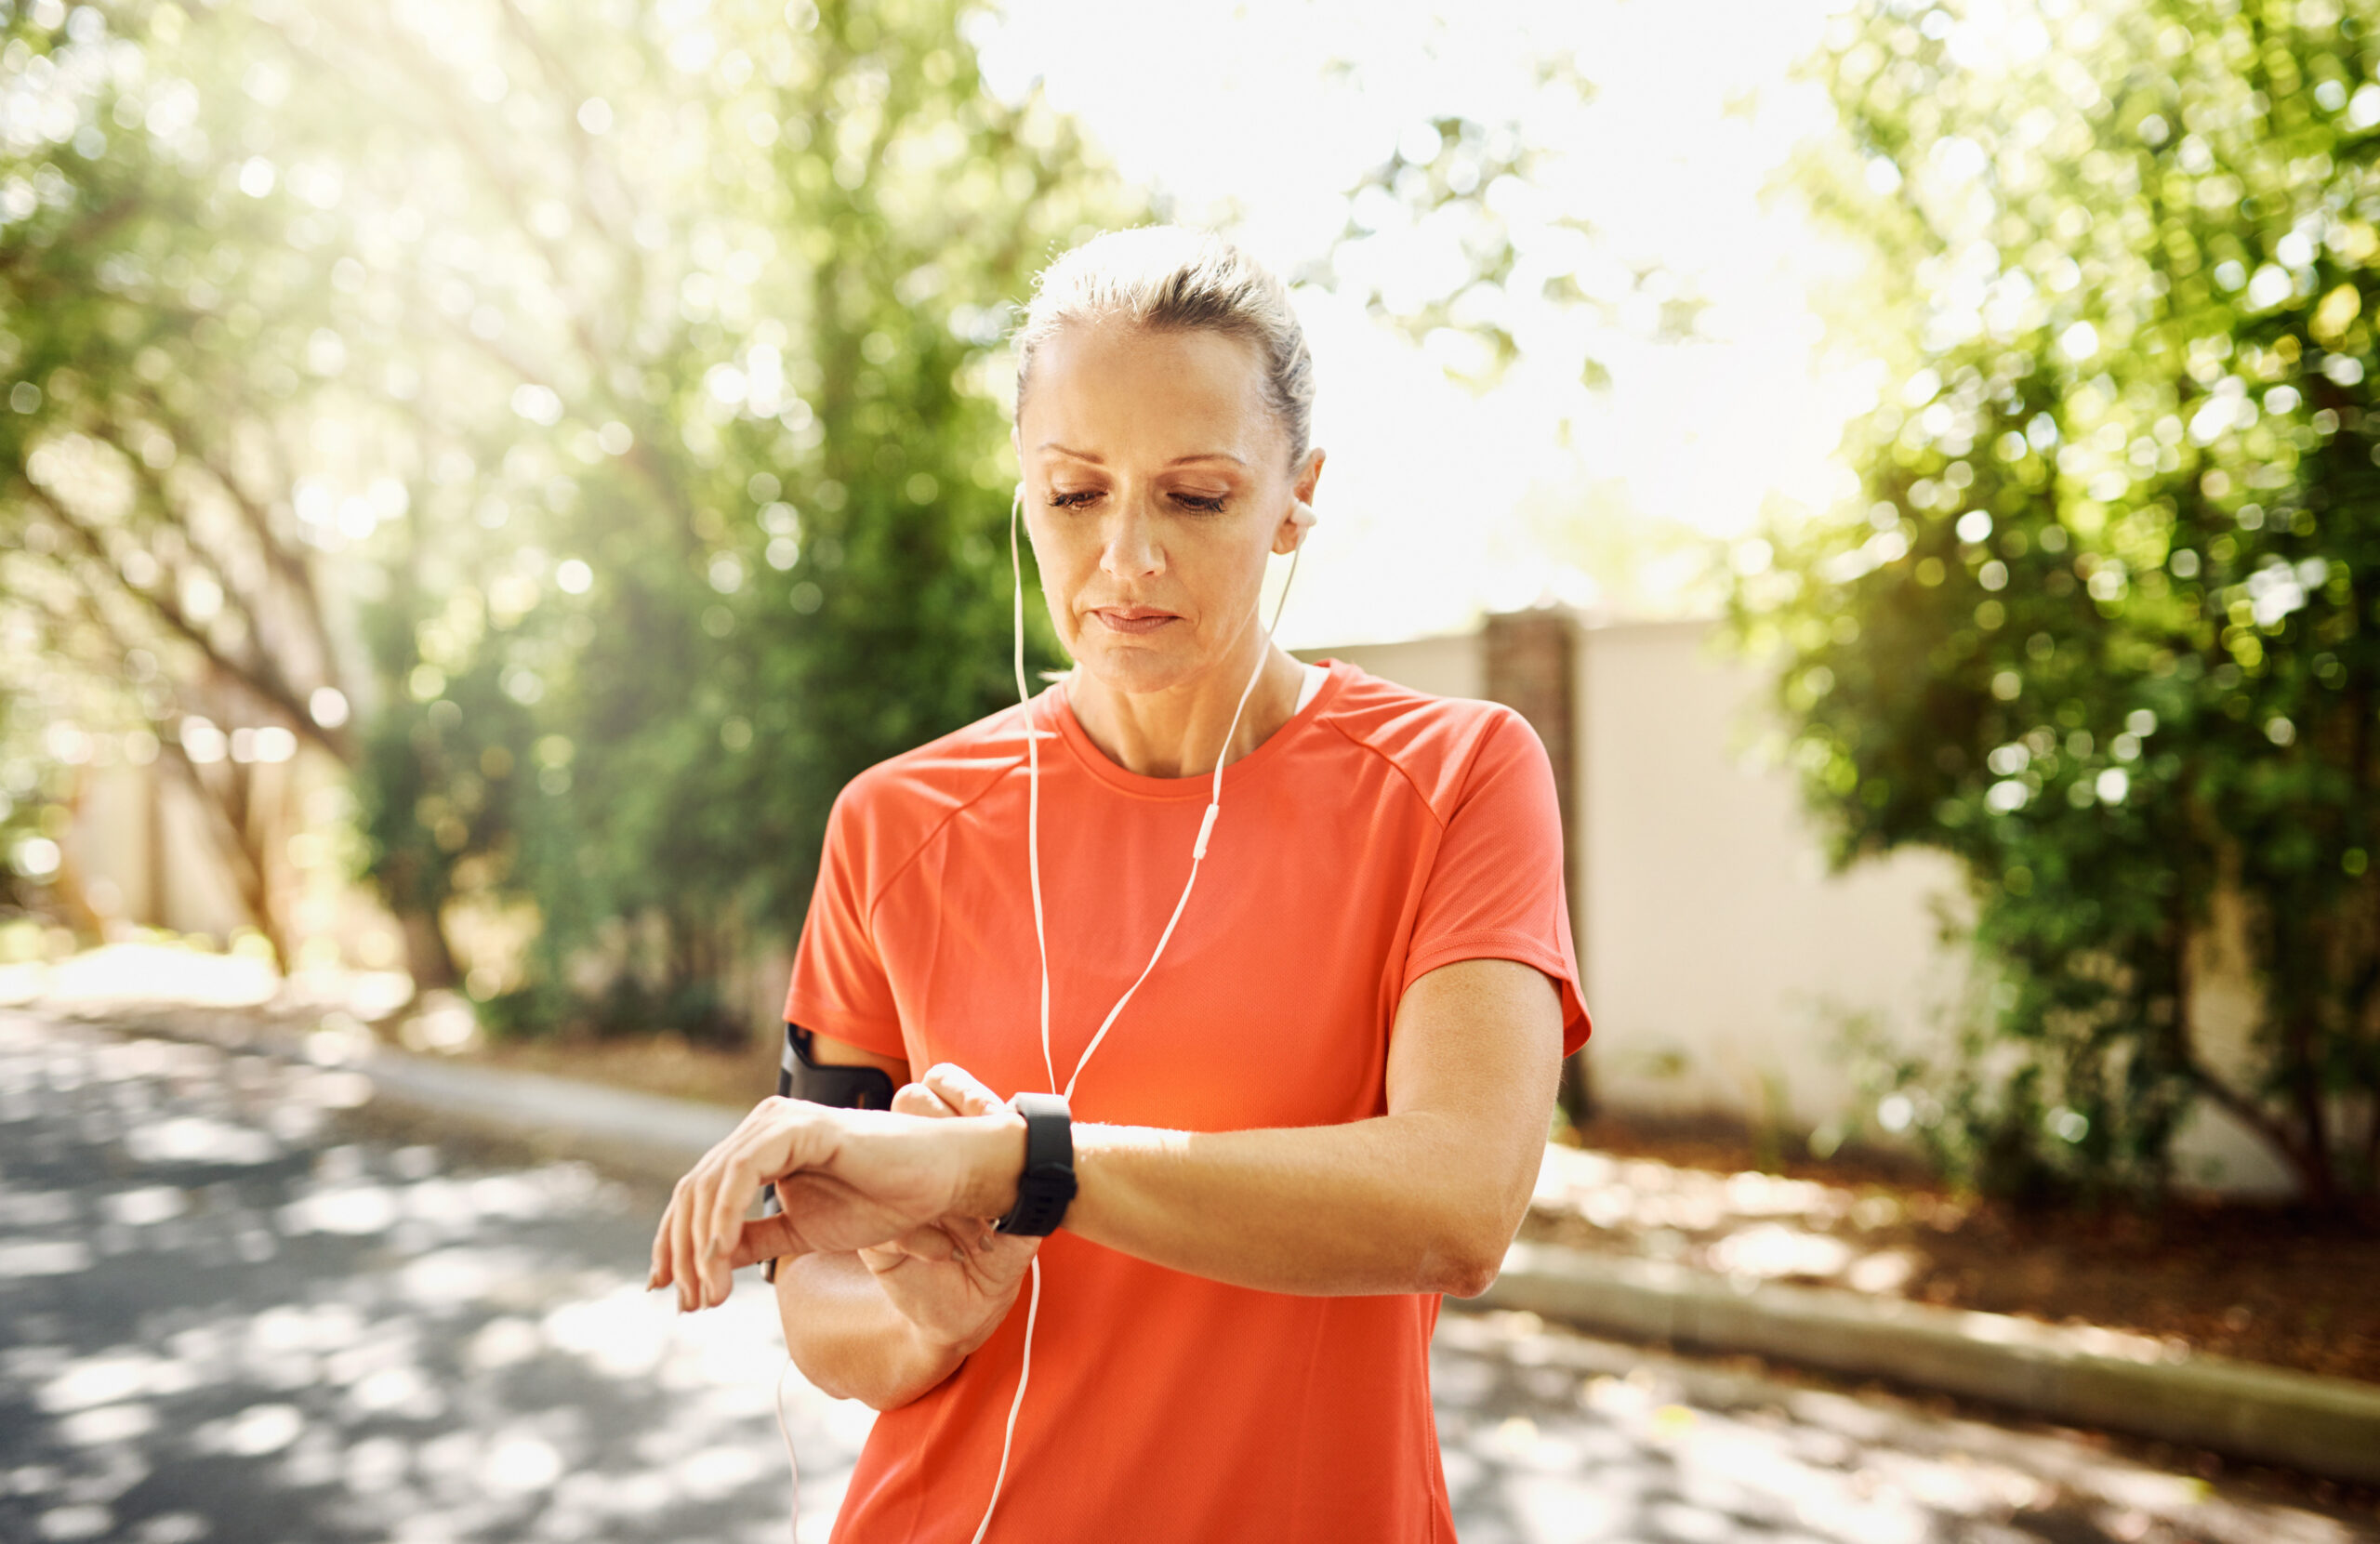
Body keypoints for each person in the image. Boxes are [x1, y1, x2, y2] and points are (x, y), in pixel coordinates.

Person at [651, 226, 1591, 1541]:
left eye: (1195, 495)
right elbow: (819, 1295)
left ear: (1297, 493)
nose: (1126, 557)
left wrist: (1019, 1163)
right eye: (1076, 493)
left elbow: (1459, 1202)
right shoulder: (892, 823)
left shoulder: (1456, 778)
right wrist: (927, 1312)